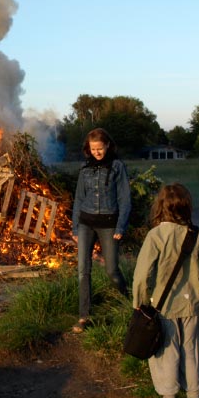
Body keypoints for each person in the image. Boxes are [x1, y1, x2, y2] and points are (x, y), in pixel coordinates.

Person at [134, 183, 199, 398]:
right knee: (193, 351)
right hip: (192, 304)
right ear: (186, 206)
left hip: (164, 306)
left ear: (160, 207)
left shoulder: (156, 235)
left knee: (166, 354)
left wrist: (139, 302)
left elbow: (141, 273)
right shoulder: (196, 233)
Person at [71, 128, 131, 333]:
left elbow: (124, 198)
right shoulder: (85, 168)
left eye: (100, 148)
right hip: (86, 223)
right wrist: (75, 227)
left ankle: (127, 303)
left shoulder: (117, 167)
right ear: (88, 149)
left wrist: (121, 225)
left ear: (107, 145)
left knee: (112, 270)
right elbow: (79, 198)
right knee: (82, 270)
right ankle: (84, 316)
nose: (97, 152)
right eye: (93, 149)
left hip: (109, 225)